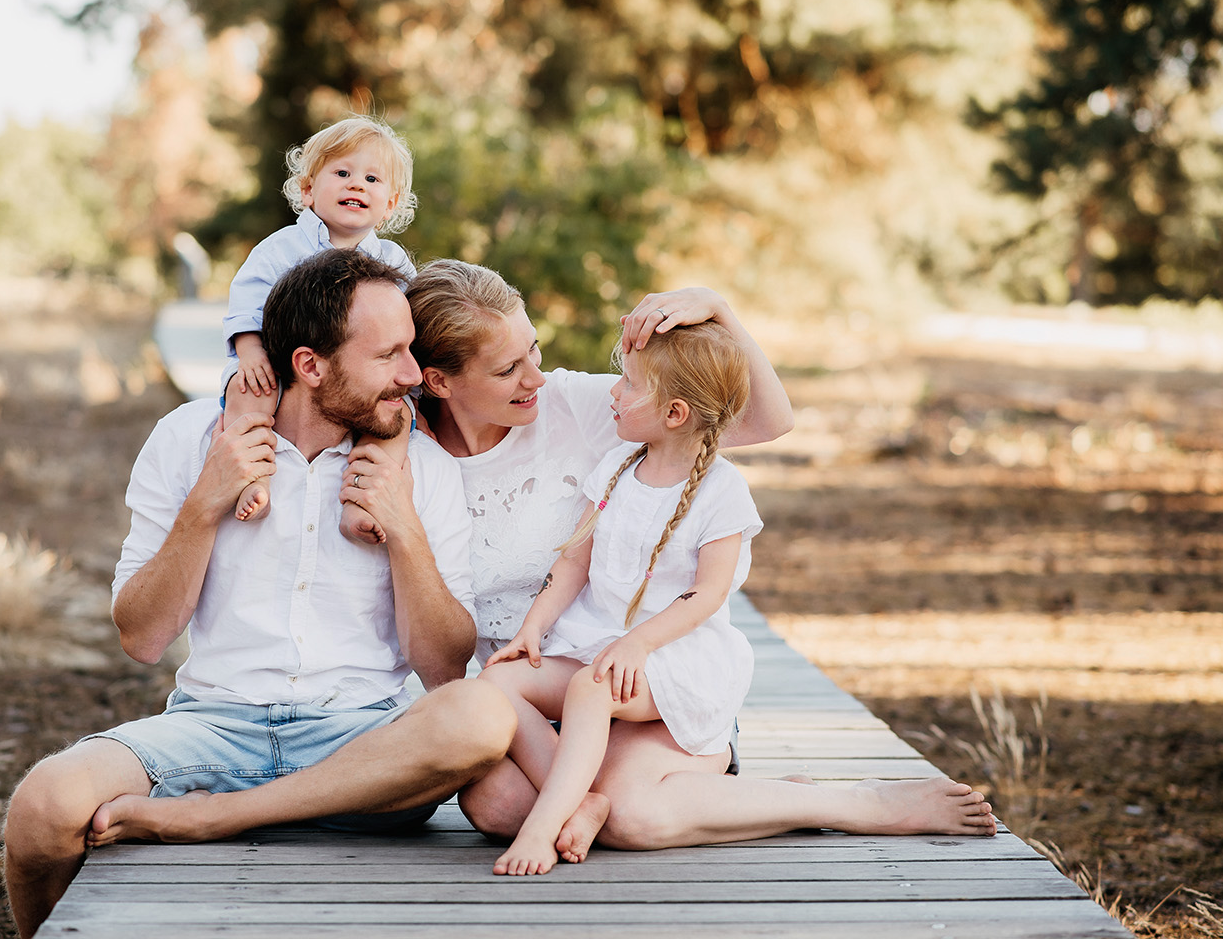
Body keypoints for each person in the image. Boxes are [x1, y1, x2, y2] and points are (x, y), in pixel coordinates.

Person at [1, 250, 516, 939]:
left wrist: (404, 531)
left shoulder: (420, 464)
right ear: (310, 366)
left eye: (410, 352)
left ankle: (222, 815)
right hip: (214, 730)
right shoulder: (190, 438)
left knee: (480, 715)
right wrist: (206, 502)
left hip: (363, 746)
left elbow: (444, 669)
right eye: (388, 354)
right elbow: (142, 637)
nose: (409, 375)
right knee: (42, 809)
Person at [405, 260, 998, 857]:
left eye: (534, 349)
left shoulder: (578, 407)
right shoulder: (411, 460)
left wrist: (719, 312)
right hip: (545, 698)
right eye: (508, 369)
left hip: (647, 679)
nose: (537, 376)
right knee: (493, 804)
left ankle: (857, 804)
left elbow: (761, 421)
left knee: (633, 820)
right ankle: (612, 799)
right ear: (439, 382)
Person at [479, 321, 762, 874]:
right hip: (602, 644)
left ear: (675, 413)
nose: (613, 391)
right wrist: (532, 628)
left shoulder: (721, 491)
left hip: (674, 655)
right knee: (498, 681)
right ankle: (580, 802)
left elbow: (707, 594)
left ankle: (541, 828)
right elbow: (573, 562)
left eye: (628, 385)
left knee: (591, 688)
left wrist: (637, 644)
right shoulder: (615, 470)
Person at [221, 115, 418, 544]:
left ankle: (361, 500)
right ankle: (251, 477)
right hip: (280, 365)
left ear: (390, 204)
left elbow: (407, 325)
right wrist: (251, 354)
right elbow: (247, 301)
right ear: (308, 189)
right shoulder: (281, 247)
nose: (357, 185)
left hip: (358, 378)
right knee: (248, 391)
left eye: (372, 178)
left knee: (396, 419)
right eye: (342, 173)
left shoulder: (395, 260)